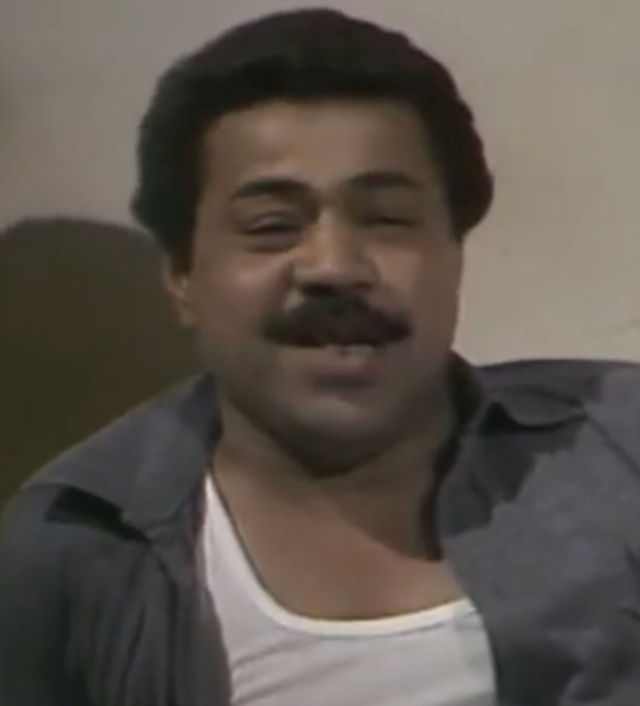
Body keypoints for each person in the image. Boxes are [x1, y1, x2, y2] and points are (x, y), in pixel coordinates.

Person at [1, 8, 640, 706]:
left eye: (387, 218)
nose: (334, 267)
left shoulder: (620, 444)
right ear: (182, 277)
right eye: (272, 226)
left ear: (453, 254)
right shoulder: (70, 550)